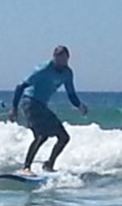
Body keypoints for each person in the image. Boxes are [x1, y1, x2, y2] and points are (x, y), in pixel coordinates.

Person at [8, 45, 88, 173]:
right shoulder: (43, 69)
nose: (58, 62)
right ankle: (26, 167)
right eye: (56, 58)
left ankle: (49, 165)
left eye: (61, 59)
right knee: (41, 135)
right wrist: (13, 108)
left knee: (63, 137)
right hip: (30, 102)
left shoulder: (67, 73)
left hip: (42, 105)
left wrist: (79, 106)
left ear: (68, 58)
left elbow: (71, 94)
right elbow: (20, 87)